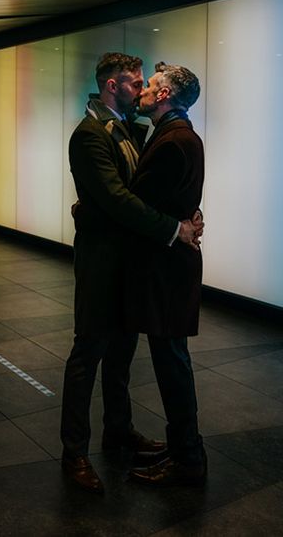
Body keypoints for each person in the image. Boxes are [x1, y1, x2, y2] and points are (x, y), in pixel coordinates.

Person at [60, 52, 202, 494]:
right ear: (111, 85)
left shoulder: (128, 129)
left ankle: (118, 431)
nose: (140, 88)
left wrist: (186, 214)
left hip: (129, 263)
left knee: (120, 355)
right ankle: (75, 453)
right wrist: (174, 228)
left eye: (145, 82)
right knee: (88, 355)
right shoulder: (89, 135)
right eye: (133, 81)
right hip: (103, 263)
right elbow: (119, 199)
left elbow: (146, 189)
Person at [126, 63, 207, 486]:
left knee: (171, 364)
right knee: (173, 361)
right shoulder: (180, 134)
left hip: (167, 268)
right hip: (173, 262)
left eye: (150, 86)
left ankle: (187, 458)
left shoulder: (173, 140)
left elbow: (137, 204)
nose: (142, 90)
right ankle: (185, 452)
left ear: (163, 96)